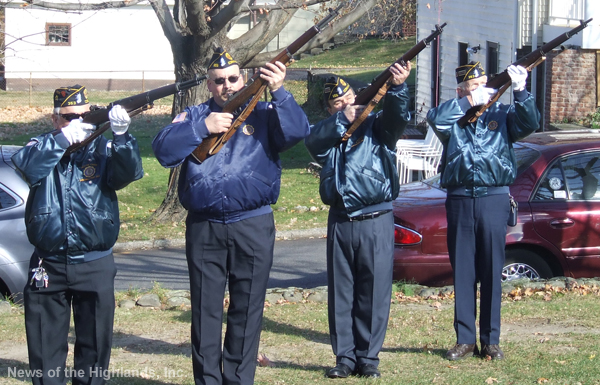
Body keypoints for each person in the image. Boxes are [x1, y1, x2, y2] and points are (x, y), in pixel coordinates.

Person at [151, 48, 310, 385]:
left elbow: (297, 132)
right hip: (205, 226)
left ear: (244, 78)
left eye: (232, 79)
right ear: (209, 85)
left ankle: (239, 379)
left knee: (248, 309)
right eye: (218, 81)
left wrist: (280, 90)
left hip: (252, 223)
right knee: (205, 311)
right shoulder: (194, 115)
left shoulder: (266, 112)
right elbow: (163, 150)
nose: (226, 85)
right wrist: (202, 128)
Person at [11, 85, 144, 385]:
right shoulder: (41, 146)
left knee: (94, 351)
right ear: (55, 119)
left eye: (85, 116)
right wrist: (61, 141)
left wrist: (122, 137)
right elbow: (26, 166)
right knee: (45, 354)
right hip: (49, 264)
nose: (78, 122)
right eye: (70, 117)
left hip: (94, 263)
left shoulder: (102, 148)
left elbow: (129, 173)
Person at [426, 62, 540, 361]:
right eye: (472, 87)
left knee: (491, 268)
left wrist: (521, 92)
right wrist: (467, 102)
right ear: (461, 90)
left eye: (483, 85)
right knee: (463, 270)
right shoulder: (453, 116)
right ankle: (464, 339)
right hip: (461, 198)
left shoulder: (501, 115)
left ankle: (491, 340)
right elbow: (434, 119)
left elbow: (529, 123)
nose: (481, 91)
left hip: (494, 197)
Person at [304, 62, 412, 379]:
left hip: (375, 217)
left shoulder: (379, 128)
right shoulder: (330, 133)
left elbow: (398, 117)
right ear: (330, 110)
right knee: (342, 292)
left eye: (350, 99)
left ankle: (368, 358)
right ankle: (344, 358)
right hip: (340, 219)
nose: (347, 105)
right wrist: (342, 120)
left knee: (374, 291)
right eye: (338, 104)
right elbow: (312, 141)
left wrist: (398, 88)